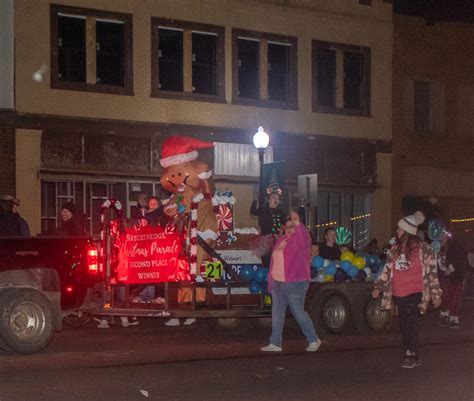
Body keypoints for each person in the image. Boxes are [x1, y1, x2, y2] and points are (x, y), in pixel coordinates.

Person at [372, 211, 442, 369]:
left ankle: (410, 353)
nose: (397, 232)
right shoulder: (394, 249)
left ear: (407, 231)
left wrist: (436, 294)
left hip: (416, 291)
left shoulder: (424, 249)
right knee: (404, 323)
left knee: (411, 322)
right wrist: (378, 287)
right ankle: (413, 353)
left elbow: (432, 273)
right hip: (399, 293)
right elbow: (387, 270)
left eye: (399, 229)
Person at [260, 210, 321, 353]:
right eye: (287, 227)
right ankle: (275, 343)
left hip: (294, 282)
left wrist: (298, 222)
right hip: (278, 282)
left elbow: (305, 238)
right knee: (277, 313)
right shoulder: (282, 240)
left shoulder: (301, 241)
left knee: (298, 312)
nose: (289, 229)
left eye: (292, 226)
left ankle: (313, 339)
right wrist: (272, 280)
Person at [438, 235, 467, 329]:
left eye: (442, 236)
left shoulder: (455, 245)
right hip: (443, 277)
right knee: (444, 297)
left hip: (456, 276)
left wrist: (451, 268)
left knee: (455, 297)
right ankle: (444, 315)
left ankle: (454, 318)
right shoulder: (436, 246)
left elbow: (460, 258)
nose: (440, 238)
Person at [250, 189, 285, 267]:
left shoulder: (280, 212)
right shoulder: (264, 209)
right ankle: (267, 274)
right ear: (269, 200)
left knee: (277, 261)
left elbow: (287, 222)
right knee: (267, 260)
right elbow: (253, 212)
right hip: (266, 239)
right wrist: (255, 199)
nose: (276, 200)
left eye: (278, 199)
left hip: (277, 239)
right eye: (273, 198)